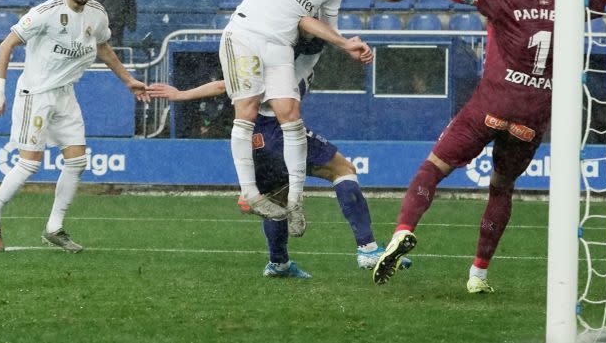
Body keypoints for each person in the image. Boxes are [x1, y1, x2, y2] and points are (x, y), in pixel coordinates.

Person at [372, 0, 606, 292]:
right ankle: (478, 274)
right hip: (533, 115)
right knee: (501, 188)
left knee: (433, 168)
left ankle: (403, 230)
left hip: (491, 105)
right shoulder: (572, 2)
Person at [178, 0, 373, 235]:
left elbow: (327, 31)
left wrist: (347, 46)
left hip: (281, 46)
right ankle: (250, 194)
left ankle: (296, 201)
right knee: (248, 110)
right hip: (244, 33)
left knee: (290, 113)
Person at [146, 35, 412, 273]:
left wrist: (181, 95)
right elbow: (312, 32)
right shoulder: (286, 59)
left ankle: (279, 263)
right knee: (343, 170)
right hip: (279, 133)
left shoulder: (276, 58)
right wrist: (344, 42)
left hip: (256, 141)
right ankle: (367, 249)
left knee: (277, 200)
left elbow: (226, 86)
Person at [0, 0, 149, 253]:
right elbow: (6, 45)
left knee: (77, 162)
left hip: (65, 94)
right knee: (30, 163)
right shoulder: (46, 13)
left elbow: (103, 48)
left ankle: (54, 228)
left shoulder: (97, 12)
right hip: (36, 93)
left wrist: (128, 80)